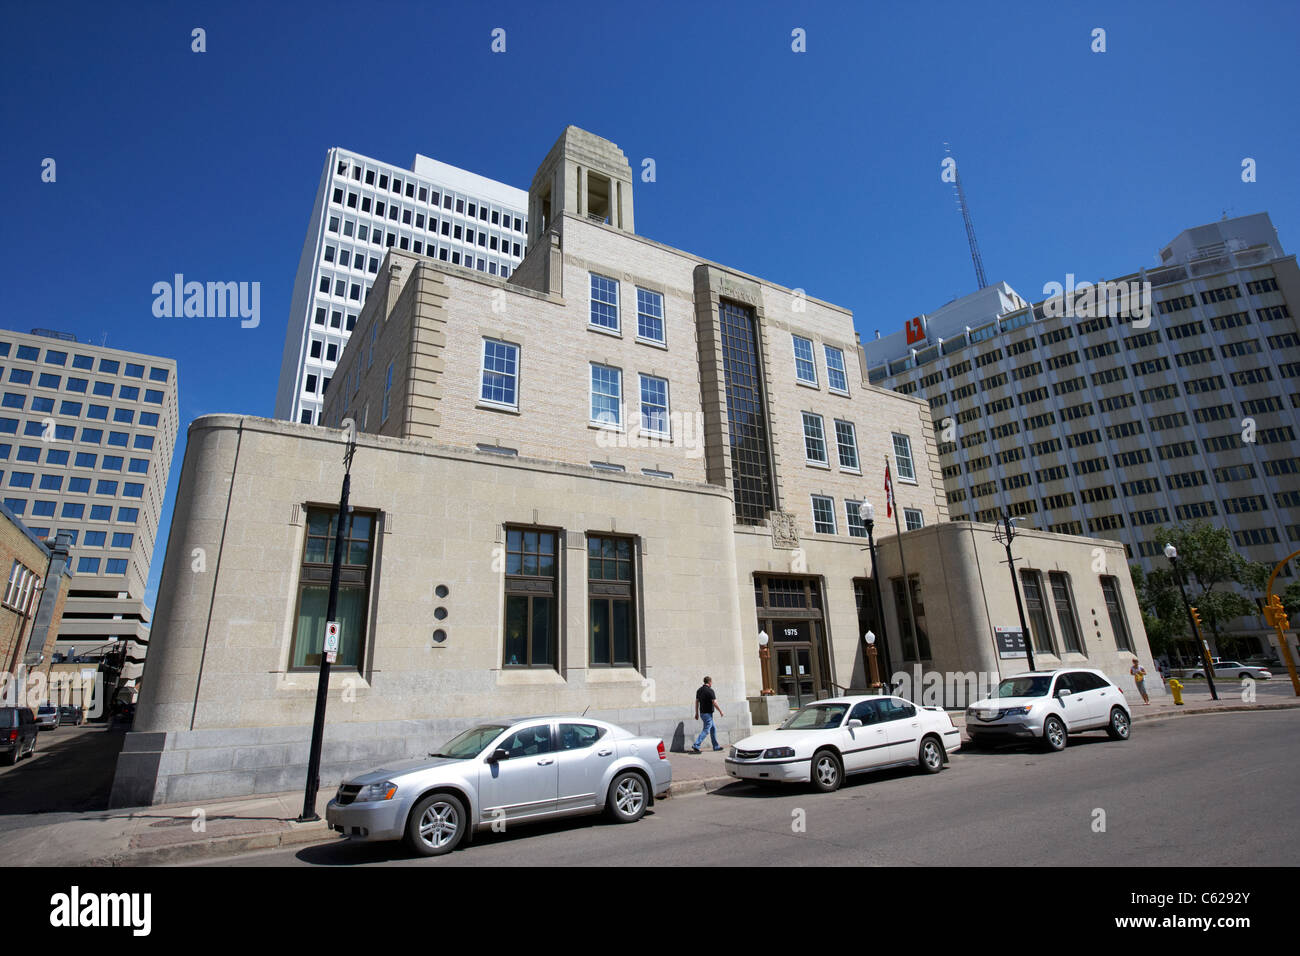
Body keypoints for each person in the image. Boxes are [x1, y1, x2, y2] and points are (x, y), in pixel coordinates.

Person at [690, 676, 724, 753]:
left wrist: (696, 713)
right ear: (709, 682)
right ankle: (696, 745)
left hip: (702, 713)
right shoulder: (710, 691)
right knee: (706, 729)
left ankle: (716, 746)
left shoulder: (699, 690)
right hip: (708, 714)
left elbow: (696, 702)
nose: (712, 683)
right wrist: (720, 711)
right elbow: (714, 702)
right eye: (711, 682)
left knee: (713, 728)